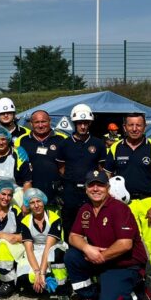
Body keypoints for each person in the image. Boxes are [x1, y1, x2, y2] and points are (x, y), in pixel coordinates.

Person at [64, 170, 151, 300]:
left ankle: (138, 290)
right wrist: (87, 248)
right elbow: (73, 236)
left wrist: (101, 256)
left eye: (100, 185)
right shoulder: (85, 209)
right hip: (101, 260)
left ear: (108, 188)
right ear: (86, 189)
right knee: (72, 256)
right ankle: (89, 296)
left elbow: (125, 244)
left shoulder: (119, 208)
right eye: (91, 186)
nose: (95, 189)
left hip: (124, 264)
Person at [104, 112, 151, 299]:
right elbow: (106, 176)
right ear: (124, 127)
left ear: (145, 127)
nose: (134, 128)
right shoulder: (115, 148)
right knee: (127, 244)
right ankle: (136, 279)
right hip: (125, 205)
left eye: (138, 125)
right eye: (130, 125)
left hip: (149, 202)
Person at [56, 104, 105, 253]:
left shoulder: (98, 143)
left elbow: (101, 169)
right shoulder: (64, 144)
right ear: (74, 123)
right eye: (79, 123)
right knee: (70, 228)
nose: (82, 126)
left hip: (91, 192)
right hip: (70, 192)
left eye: (85, 123)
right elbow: (61, 168)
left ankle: (94, 261)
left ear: (90, 123)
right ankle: (71, 263)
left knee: (93, 227)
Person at [19, 188, 69, 300]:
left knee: (56, 255)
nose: (36, 205)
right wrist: (37, 272)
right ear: (28, 205)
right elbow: (29, 250)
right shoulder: (25, 221)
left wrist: (42, 272)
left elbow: (48, 247)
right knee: (24, 278)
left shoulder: (54, 218)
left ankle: (63, 291)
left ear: (43, 202)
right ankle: (45, 283)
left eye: (39, 201)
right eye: (32, 202)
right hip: (36, 250)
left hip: (53, 248)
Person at [17, 110, 67, 211]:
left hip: (56, 195)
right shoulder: (22, 140)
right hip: (31, 195)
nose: (40, 125)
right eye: (36, 122)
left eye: (43, 121)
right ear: (31, 124)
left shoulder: (62, 139)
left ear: (49, 121)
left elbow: (68, 167)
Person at [0, 126, 31, 206]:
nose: (1, 143)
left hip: (15, 199)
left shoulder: (18, 155)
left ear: (8, 140)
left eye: (3, 139)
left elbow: (27, 182)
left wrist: (26, 204)